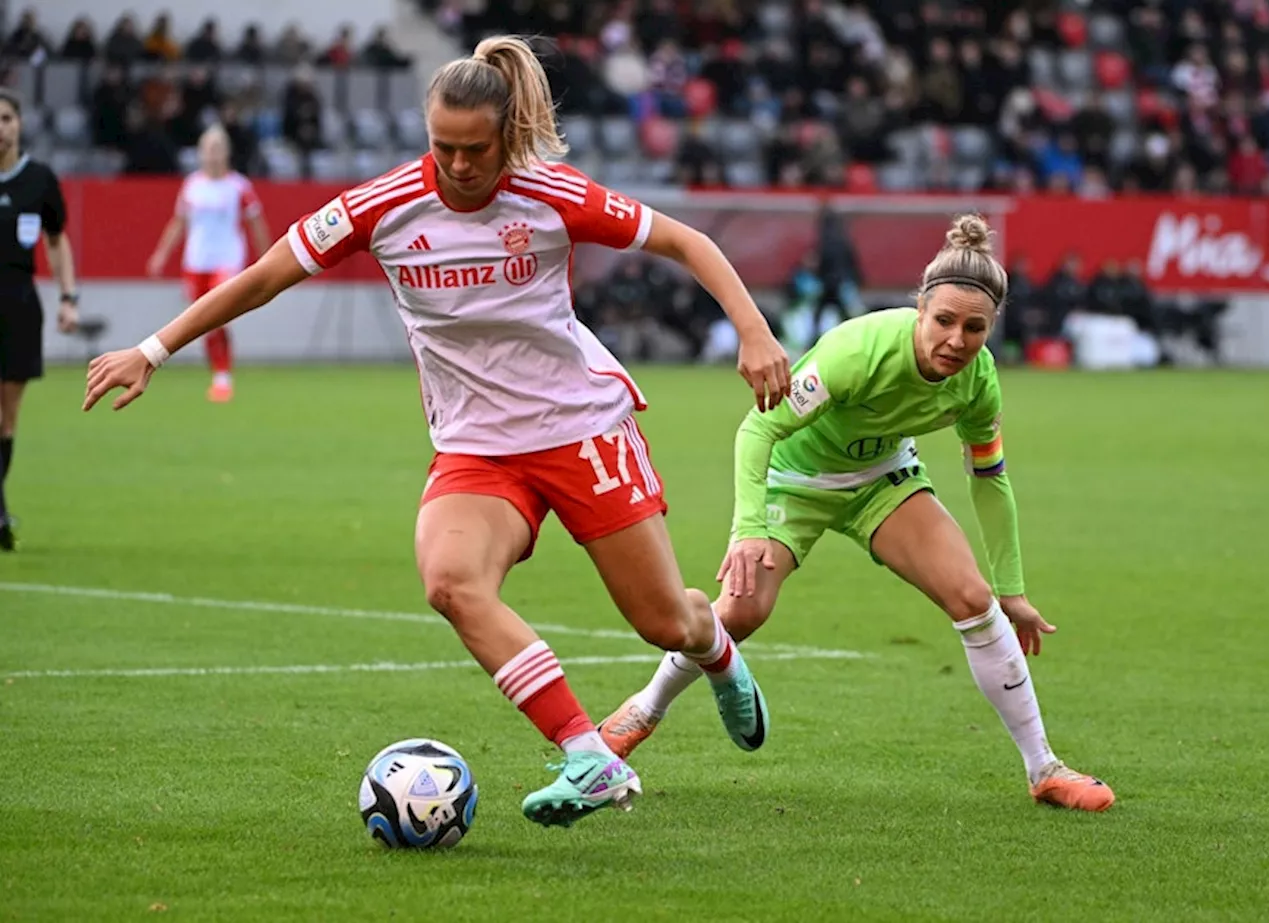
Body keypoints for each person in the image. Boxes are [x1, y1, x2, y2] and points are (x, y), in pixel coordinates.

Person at [84, 36, 791, 828]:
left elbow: (685, 241)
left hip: (580, 430)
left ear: (506, 134)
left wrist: (754, 332)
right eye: (442, 147)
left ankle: (718, 656)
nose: (457, 164)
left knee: (666, 620)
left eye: (475, 149)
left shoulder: (550, 193)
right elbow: (262, 277)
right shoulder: (381, 206)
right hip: (478, 447)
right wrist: (153, 349)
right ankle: (587, 754)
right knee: (450, 582)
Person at [599, 215, 1117, 814]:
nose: (956, 339)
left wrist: (1013, 589)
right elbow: (759, 428)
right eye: (944, 321)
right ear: (919, 309)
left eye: (975, 328)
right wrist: (750, 529)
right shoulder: (859, 349)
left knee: (974, 599)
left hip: (882, 481)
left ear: (991, 327)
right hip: (796, 479)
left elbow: (990, 479)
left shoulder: (979, 381)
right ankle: (643, 708)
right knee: (741, 613)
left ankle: (1044, 768)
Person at [0, 89, 80, 551]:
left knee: (7, 418)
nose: (1, 126)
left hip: (19, 303)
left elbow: (56, 241)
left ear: (21, 123)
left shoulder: (39, 180)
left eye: (7, 117)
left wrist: (68, 297)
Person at [147, 124, 271, 401]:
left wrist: (266, 259)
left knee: (218, 317)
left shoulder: (239, 186)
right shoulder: (192, 186)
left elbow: (256, 223)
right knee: (201, 321)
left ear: (226, 152)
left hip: (227, 261)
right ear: (200, 153)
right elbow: (178, 223)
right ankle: (218, 374)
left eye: (217, 148)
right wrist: (161, 254)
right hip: (196, 261)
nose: (212, 154)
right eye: (208, 149)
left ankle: (223, 377)